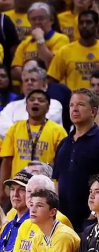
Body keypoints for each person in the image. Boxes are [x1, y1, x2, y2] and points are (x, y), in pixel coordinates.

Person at [54, 88, 99, 233]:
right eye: (71, 105)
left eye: (80, 104)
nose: (74, 109)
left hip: (90, 220)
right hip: (63, 220)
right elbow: (57, 180)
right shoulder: (64, 143)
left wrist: (94, 213)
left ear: (93, 111)